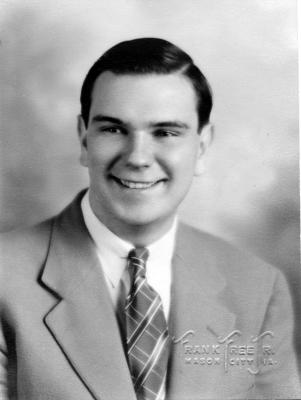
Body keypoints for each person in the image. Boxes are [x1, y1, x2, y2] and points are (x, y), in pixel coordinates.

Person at [0, 38, 300, 400]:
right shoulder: (5, 279)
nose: (138, 157)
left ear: (201, 147)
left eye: (165, 133)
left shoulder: (258, 289)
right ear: (84, 140)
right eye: (113, 129)